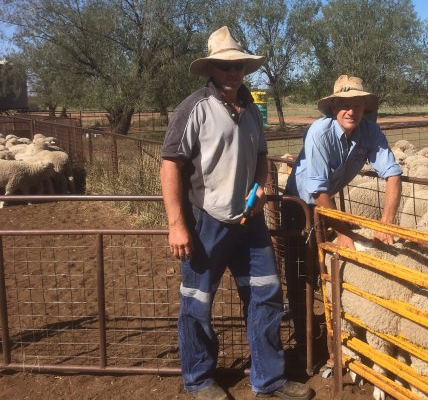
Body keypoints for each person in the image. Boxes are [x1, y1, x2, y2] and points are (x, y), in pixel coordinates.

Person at [160, 26, 312, 400]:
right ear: (212, 68)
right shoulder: (194, 108)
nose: (234, 71)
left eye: (239, 65)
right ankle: (199, 380)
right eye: (226, 65)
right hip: (204, 220)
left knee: (266, 293)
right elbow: (170, 166)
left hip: (249, 220)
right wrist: (177, 224)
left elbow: (261, 156)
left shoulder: (251, 113)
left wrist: (261, 188)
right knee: (197, 300)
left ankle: (269, 380)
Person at [282, 74, 402, 347]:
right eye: (345, 104)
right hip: (298, 204)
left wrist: (387, 223)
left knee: (326, 263)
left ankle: (334, 322)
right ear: (334, 106)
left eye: (358, 104)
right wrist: (343, 231)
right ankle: (305, 336)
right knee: (301, 269)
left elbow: (393, 174)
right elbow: (317, 190)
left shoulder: (370, 131)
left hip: (326, 203)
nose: (352, 110)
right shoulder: (319, 133)